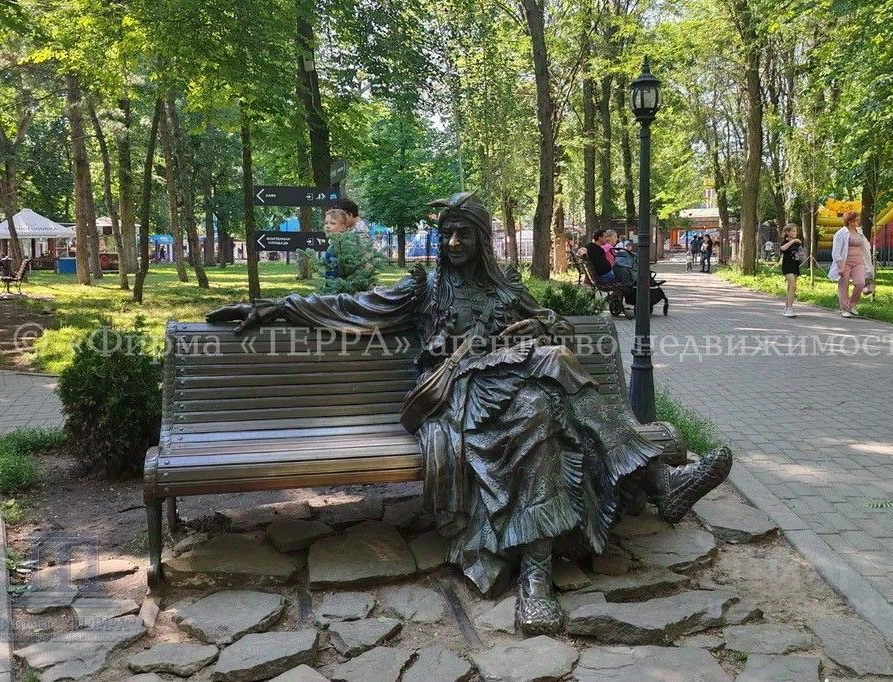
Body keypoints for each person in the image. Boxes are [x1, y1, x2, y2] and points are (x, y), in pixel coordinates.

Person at [207, 192, 732, 635]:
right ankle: (576, 545)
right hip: (461, 393)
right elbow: (354, 308)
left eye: (463, 234)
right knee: (539, 406)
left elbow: (554, 327)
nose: (454, 242)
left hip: (516, 381)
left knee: (547, 386)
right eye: (447, 234)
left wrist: (539, 325)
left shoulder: (506, 288)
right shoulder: (426, 288)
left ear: (482, 239)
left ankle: (560, 556)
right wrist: (271, 308)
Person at [829, 211, 873, 318]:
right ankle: (844, 309)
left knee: (860, 283)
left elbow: (865, 246)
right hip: (845, 263)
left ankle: (851, 305)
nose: (859, 221)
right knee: (844, 285)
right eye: (856, 220)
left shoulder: (859, 231)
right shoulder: (840, 233)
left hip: (858, 262)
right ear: (849, 221)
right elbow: (835, 252)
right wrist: (840, 266)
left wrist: (868, 262)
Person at [778, 223, 802, 317]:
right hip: (787, 266)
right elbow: (782, 249)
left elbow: (800, 253)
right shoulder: (785, 241)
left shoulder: (797, 242)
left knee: (790, 287)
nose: (795, 233)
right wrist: (793, 241)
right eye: (793, 231)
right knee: (792, 286)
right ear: (788, 232)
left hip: (795, 266)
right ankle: (790, 309)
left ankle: (787, 307)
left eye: (796, 231)